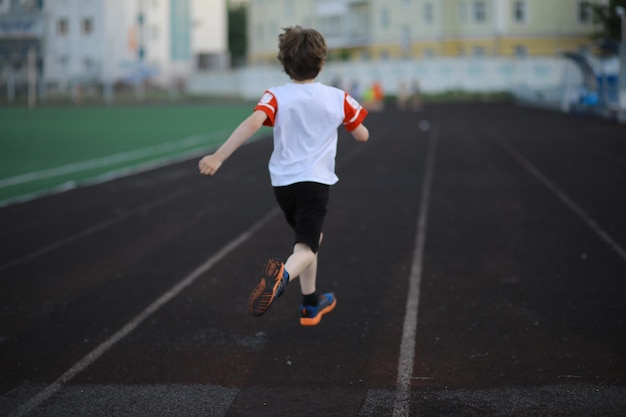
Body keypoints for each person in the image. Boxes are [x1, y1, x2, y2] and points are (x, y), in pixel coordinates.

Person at [198, 26, 369, 326]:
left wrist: (218, 156)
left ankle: (310, 304)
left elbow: (252, 124)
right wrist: (351, 125)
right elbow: (362, 135)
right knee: (306, 247)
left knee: (310, 238)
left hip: (283, 185)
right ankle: (283, 277)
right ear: (322, 62)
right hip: (315, 183)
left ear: (284, 63)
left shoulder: (275, 95)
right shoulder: (337, 97)